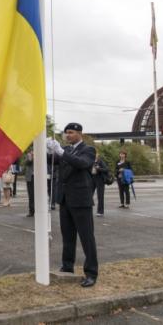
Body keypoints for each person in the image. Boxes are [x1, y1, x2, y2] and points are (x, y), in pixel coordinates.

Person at [47, 122, 98, 288]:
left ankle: (91, 272)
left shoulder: (88, 150)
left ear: (79, 133)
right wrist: (46, 149)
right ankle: (67, 266)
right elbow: (51, 160)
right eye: (66, 133)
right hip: (65, 199)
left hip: (81, 200)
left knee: (86, 237)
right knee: (67, 236)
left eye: (70, 133)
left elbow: (81, 163)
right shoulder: (67, 150)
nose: (67, 135)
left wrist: (61, 151)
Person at [24, 151, 34, 215]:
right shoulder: (29, 154)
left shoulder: (42, 154)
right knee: (31, 194)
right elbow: (27, 162)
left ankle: (39, 209)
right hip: (30, 177)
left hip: (39, 177)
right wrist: (32, 157)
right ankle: (31, 210)